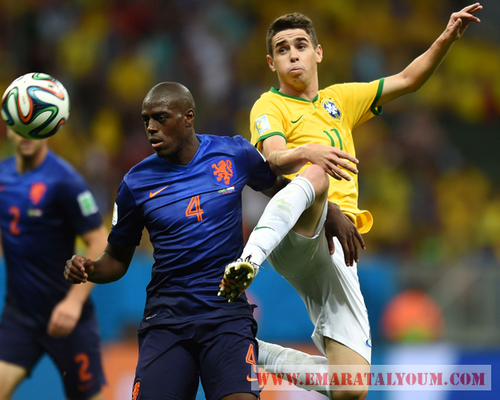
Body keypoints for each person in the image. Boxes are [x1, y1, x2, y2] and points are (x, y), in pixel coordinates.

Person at [218, 4, 482, 400]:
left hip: (341, 249)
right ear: (271, 62)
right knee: (317, 172)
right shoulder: (268, 105)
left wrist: (445, 39)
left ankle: (245, 348)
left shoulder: (340, 99)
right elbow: (273, 157)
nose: (293, 54)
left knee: (351, 387)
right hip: (298, 228)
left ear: (318, 53)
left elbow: (408, 79)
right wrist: (310, 155)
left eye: (300, 45)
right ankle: (248, 261)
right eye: (282, 49)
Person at [63, 82, 361, 400]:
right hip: (166, 321)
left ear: (188, 117)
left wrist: (329, 210)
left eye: (160, 118)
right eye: (146, 120)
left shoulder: (234, 154)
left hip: (227, 316)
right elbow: (116, 259)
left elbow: (283, 188)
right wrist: (90, 268)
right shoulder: (135, 183)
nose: (151, 128)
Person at [0, 126, 108, 400]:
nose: (27, 135)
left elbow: (100, 241)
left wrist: (74, 302)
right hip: (20, 317)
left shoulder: (66, 181)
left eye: (35, 127)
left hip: (68, 319)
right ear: (9, 129)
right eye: (20, 127)